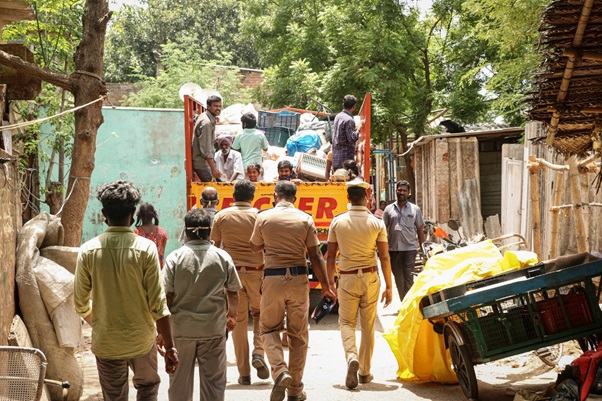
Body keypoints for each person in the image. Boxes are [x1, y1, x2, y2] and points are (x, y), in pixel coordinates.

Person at [74, 180, 178, 401]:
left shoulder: (88, 251)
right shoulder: (146, 249)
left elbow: (80, 303)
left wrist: (100, 323)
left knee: (114, 396)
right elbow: (158, 305)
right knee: (148, 388)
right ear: (132, 213)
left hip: (106, 343)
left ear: (103, 214)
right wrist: (170, 348)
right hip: (142, 340)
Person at [250, 181, 336, 401]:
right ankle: (295, 390)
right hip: (298, 279)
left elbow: (255, 246)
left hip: (273, 279)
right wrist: (326, 287)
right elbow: (316, 255)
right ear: (294, 198)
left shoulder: (264, 217)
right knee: (298, 335)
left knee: (268, 329)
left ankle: (280, 371)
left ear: (275, 196)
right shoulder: (305, 219)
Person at [163, 208, 242, 401]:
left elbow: (167, 297)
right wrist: (232, 315)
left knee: (179, 384)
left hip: (181, 332)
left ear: (186, 231)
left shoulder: (175, 257)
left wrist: (163, 332)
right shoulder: (222, 257)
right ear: (209, 231)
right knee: (214, 385)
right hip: (213, 330)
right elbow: (233, 291)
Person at [326, 181, 393, 389]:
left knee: (346, 323)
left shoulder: (337, 222)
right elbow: (384, 257)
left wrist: (330, 284)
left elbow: (330, 257)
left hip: (346, 277)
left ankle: (351, 356)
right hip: (371, 278)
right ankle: (364, 372)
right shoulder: (377, 223)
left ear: (348, 199)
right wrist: (389, 286)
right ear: (366, 198)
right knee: (368, 326)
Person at [211, 180, 270, 386]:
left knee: (236, 321)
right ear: (252, 197)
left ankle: (244, 373)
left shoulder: (221, 216)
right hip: (257, 273)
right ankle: (259, 351)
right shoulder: (260, 217)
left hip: (231, 275)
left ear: (233, 195)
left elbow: (215, 248)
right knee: (261, 314)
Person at [382, 180, 425, 302]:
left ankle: (407, 304)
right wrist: (382, 249)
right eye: (399, 190)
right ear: (396, 191)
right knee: (398, 279)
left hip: (410, 249)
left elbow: (420, 229)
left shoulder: (415, 209)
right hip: (393, 250)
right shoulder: (388, 209)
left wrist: (423, 249)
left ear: (409, 193)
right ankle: (404, 301)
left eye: (404, 190)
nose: (402, 192)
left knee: (408, 278)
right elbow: (382, 231)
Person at [192, 95, 223, 181]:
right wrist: (213, 168)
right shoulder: (207, 123)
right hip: (202, 164)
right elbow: (206, 150)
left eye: (219, 106)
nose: (218, 108)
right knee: (213, 190)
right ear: (208, 107)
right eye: (215, 106)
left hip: (205, 163)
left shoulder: (205, 117)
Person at [331, 95, 364, 171]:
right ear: (354, 106)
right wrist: (359, 128)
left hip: (336, 159)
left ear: (343, 105)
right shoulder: (349, 120)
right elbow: (352, 138)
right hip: (345, 161)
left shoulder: (338, 117)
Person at [134, 202, 169, 268]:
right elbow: (162, 255)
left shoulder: (136, 233)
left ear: (140, 216)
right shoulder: (162, 233)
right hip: (158, 271)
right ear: (153, 215)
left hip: (141, 273)